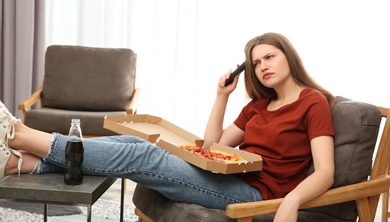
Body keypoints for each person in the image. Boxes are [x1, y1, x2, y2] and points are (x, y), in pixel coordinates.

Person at [1, 32, 335, 222]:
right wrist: (221, 97)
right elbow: (213, 144)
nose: (262, 66)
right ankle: (25, 163)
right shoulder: (259, 106)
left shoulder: (312, 102)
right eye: (256, 62)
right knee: (134, 146)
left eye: (269, 57)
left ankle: (23, 135)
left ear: (288, 56)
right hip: (230, 178)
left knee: (145, 155)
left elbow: (325, 173)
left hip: (254, 194)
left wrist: (290, 201)